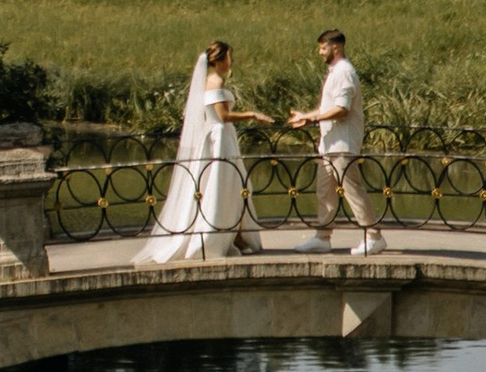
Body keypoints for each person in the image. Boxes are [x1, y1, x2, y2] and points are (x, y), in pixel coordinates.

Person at [139, 42, 271, 263]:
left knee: (231, 186)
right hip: (219, 138)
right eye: (229, 57)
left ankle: (235, 236)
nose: (231, 61)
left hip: (222, 137)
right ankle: (217, 237)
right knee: (221, 186)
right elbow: (223, 116)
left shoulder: (211, 80)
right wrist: (252, 115)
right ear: (219, 60)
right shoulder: (215, 81)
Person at [290, 30, 379, 255]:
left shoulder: (344, 72)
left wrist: (313, 119)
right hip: (330, 144)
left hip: (342, 144)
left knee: (352, 190)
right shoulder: (335, 72)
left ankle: (374, 236)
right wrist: (306, 117)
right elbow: (327, 109)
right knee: (325, 192)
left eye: (323, 48)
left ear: (335, 47)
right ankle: (323, 237)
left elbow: (342, 110)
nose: (320, 52)